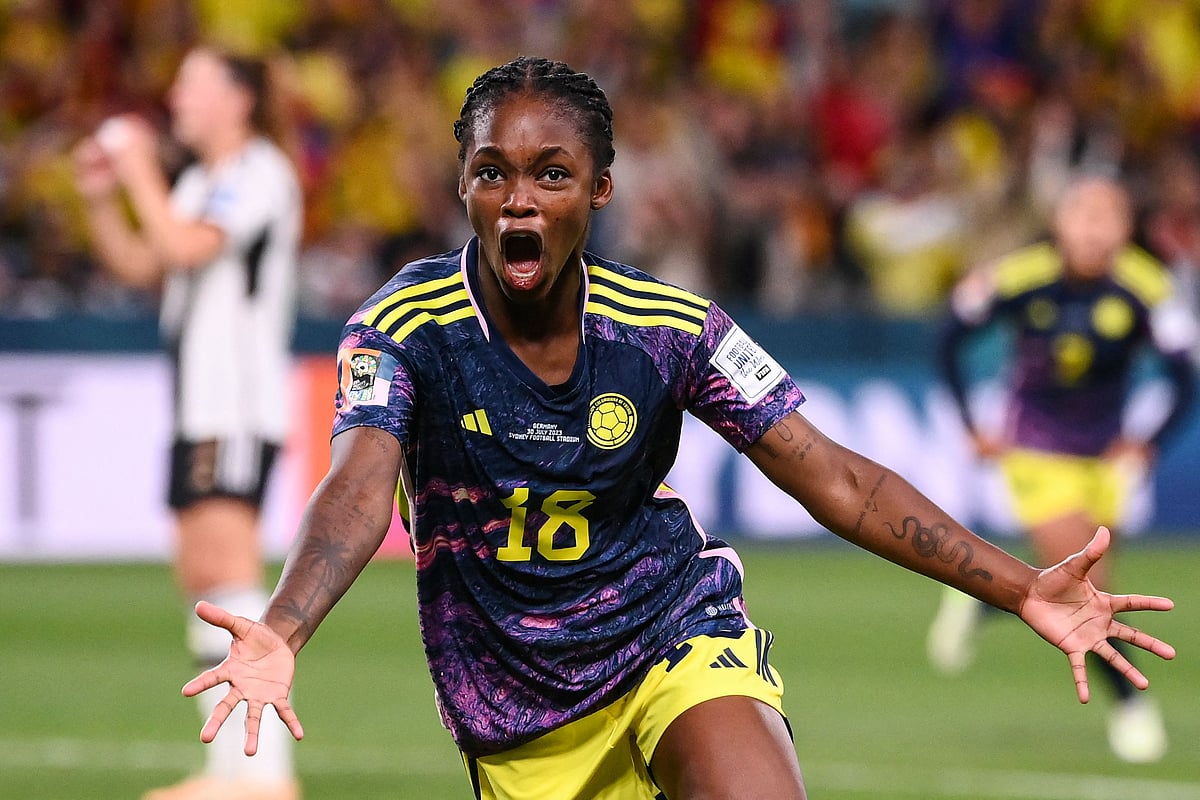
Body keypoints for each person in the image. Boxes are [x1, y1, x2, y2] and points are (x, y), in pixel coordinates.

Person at [183, 58, 1176, 800]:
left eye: (551, 173)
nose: (519, 198)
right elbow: (358, 490)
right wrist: (285, 624)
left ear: (600, 190)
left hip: (671, 634)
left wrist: (1021, 586)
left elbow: (838, 479)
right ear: (464, 187)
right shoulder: (405, 327)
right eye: (492, 173)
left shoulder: (670, 327)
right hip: (513, 706)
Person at [73, 46, 302, 800]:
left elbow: (178, 244)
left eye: (192, 83)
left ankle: (260, 777)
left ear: (238, 99)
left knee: (228, 571)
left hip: (233, 403)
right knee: (204, 575)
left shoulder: (258, 172)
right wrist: (105, 199)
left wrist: (137, 163)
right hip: (201, 402)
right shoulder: (206, 180)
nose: (176, 96)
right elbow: (148, 264)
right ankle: (232, 769)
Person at [926, 175, 1197, 764]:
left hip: (1103, 461)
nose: (1096, 230)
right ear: (1061, 222)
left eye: (1110, 217)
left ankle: (981, 600)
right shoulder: (1021, 276)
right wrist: (973, 425)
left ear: (1127, 229)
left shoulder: (1146, 287)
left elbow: (1185, 377)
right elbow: (948, 339)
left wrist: (1146, 444)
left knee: (1088, 584)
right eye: (1084, 215)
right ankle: (1131, 707)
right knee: (1085, 592)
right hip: (1036, 454)